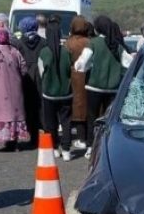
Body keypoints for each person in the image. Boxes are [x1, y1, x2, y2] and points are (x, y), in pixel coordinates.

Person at [74, 15, 133, 159]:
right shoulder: (117, 46)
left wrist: (83, 68)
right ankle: (107, 146)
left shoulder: (93, 43)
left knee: (92, 118)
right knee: (109, 120)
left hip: (94, 88)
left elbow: (82, 63)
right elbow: (129, 63)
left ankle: (90, 147)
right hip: (113, 89)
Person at [0, 28, 28, 151]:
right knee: (14, 113)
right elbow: (24, 69)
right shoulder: (15, 51)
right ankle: (14, 139)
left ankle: (5, 140)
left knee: (0, 112)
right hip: (15, 88)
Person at [39, 20, 73, 161]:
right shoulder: (66, 51)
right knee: (66, 123)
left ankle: (54, 148)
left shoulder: (45, 52)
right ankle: (67, 150)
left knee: (50, 123)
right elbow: (70, 70)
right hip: (66, 93)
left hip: (49, 94)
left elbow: (41, 72)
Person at [12, 16, 47, 148]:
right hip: (40, 76)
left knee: (27, 107)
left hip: (24, 77)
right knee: (41, 106)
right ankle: (45, 133)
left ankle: (32, 136)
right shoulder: (44, 42)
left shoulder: (18, 43)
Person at [66, 16, 91, 151]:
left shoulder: (68, 43)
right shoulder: (89, 42)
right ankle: (87, 137)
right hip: (87, 77)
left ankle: (80, 137)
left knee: (76, 107)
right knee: (87, 107)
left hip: (73, 77)